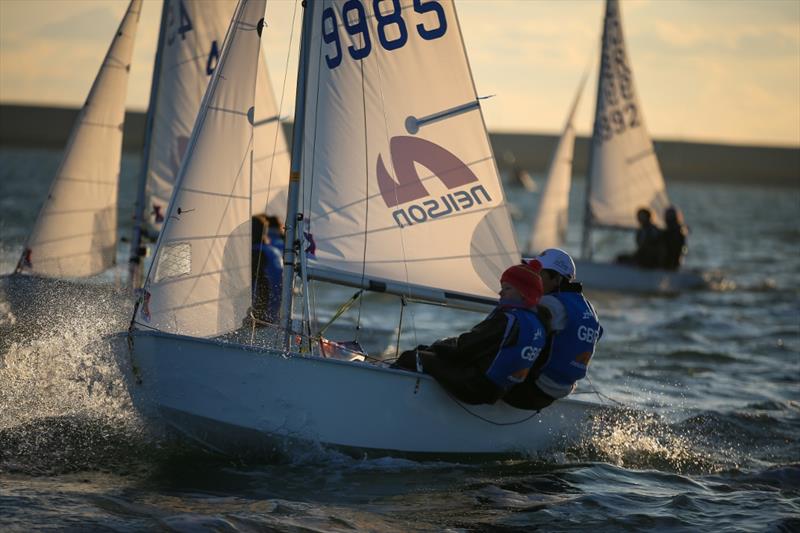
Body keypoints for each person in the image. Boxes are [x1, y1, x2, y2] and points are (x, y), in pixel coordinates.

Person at [392, 262, 548, 405]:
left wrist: (436, 347)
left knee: (412, 357)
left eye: (507, 288)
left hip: (476, 387)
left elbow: (464, 348)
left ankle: (394, 402)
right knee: (429, 354)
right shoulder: (537, 324)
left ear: (523, 293)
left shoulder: (507, 319)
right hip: (501, 390)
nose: (500, 293)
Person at [504, 248, 602, 411]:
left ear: (557, 279)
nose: (532, 277)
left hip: (533, 389)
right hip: (562, 388)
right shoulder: (588, 308)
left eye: (538, 273)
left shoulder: (549, 304)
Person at [251, 214, 284, 322]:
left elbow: (263, 282)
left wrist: (258, 314)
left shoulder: (257, 253)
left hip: (259, 318)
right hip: (274, 316)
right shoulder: (274, 251)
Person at [661, 205, 687, 270]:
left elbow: (684, 247)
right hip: (669, 259)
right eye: (668, 217)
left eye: (671, 217)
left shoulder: (679, 231)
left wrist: (682, 255)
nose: (669, 219)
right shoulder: (666, 232)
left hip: (673, 260)